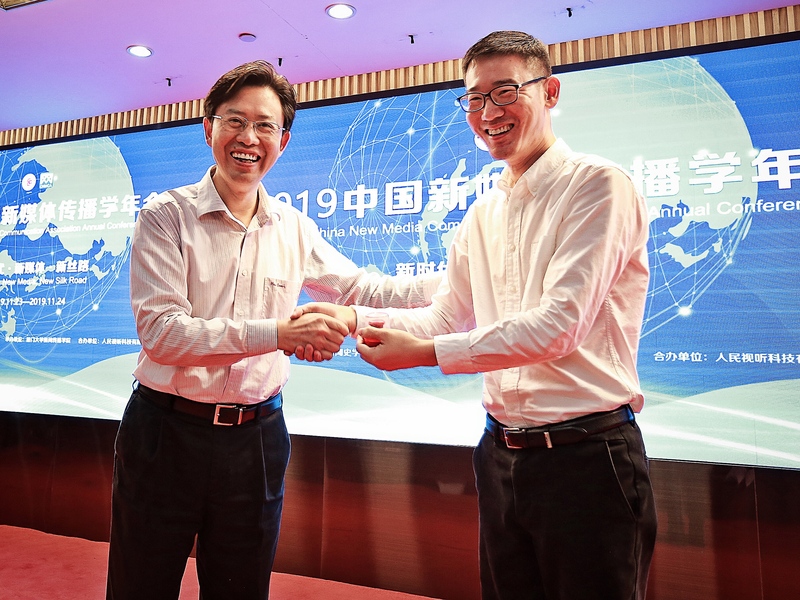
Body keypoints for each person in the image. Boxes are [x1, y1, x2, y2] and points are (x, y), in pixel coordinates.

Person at [294, 31, 658, 600]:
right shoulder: (482, 213)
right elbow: (445, 316)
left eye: (506, 91)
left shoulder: (598, 187)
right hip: (501, 454)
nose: (488, 112)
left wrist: (426, 355)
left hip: (589, 458)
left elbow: (560, 325)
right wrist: (351, 320)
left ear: (550, 92)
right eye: (474, 98)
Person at [106, 60, 440, 600]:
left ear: (282, 142)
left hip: (255, 440)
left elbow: (362, 289)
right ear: (208, 128)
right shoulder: (165, 217)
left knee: (241, 587)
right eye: (235, 121)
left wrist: (460, 282)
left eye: (265, 126)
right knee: (139, 585)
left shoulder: (294, 227)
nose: (249, 138)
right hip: (165, 433)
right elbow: (163, 334)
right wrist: (278, 334)